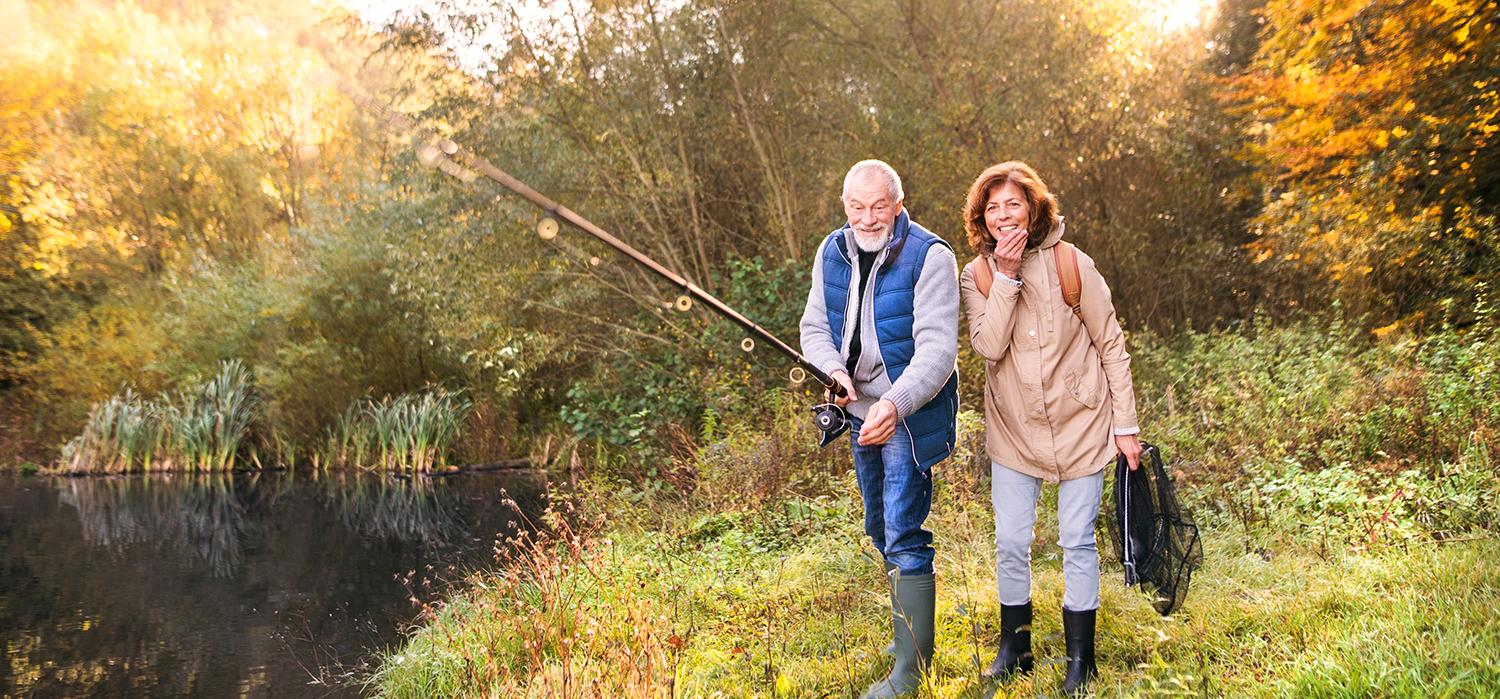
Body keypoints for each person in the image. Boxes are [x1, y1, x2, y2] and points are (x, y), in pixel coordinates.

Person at [958, 161, 1142, 695]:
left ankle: (1080, 658)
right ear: (981, 218)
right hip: (1014, 429)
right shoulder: (979, 276)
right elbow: (989, 347)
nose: (1002, 215)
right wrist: (1008, 278)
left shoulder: (1071, 263)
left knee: (1076, 541)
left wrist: (1125, 425)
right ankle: (1015, 647)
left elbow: (1111, 345)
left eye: (1012, 203)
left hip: (1083, 422)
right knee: (1012, 541)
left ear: (1034, 206)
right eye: (992, 208)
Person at [800, 159, 960, 698]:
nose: (867, 219)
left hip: (907, 413)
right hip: (857, 410)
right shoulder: (833, 250)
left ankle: (911, 675)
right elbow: (814, 328)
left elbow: (938, 351)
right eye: (856, 207)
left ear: (897, 201)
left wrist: (896, 402)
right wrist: (834, 371)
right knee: (877, 528)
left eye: (878, 206)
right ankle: (907, 640)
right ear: (845, 205)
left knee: (904, 532)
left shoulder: (931, 256)